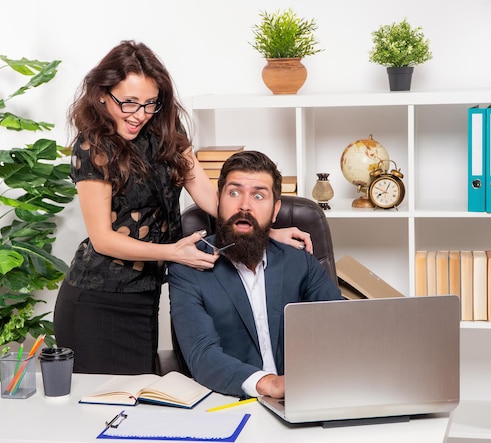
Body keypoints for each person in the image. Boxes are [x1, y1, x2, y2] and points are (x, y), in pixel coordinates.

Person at [53, 41, 312, 375]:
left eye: (149, 104)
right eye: (128, 103)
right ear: (103, 95)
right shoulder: (94, 148)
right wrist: (174, 253)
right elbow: (102, 239)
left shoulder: (166, 131)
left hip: (144, 297)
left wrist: (267, 230)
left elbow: (205, 192)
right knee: (103, 410)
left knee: (137, 406)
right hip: (97, 300)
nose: (139, 115)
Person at [168, 151, 343, 399]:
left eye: (259, 196)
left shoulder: (299, 261)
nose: (245, 205)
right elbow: (202, 354)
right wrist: (268, 384)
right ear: (218, 201)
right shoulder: (189, 268)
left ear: (275, 211)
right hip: (230, 402)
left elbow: (341, 325)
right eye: (234, 193)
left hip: (303, 397)